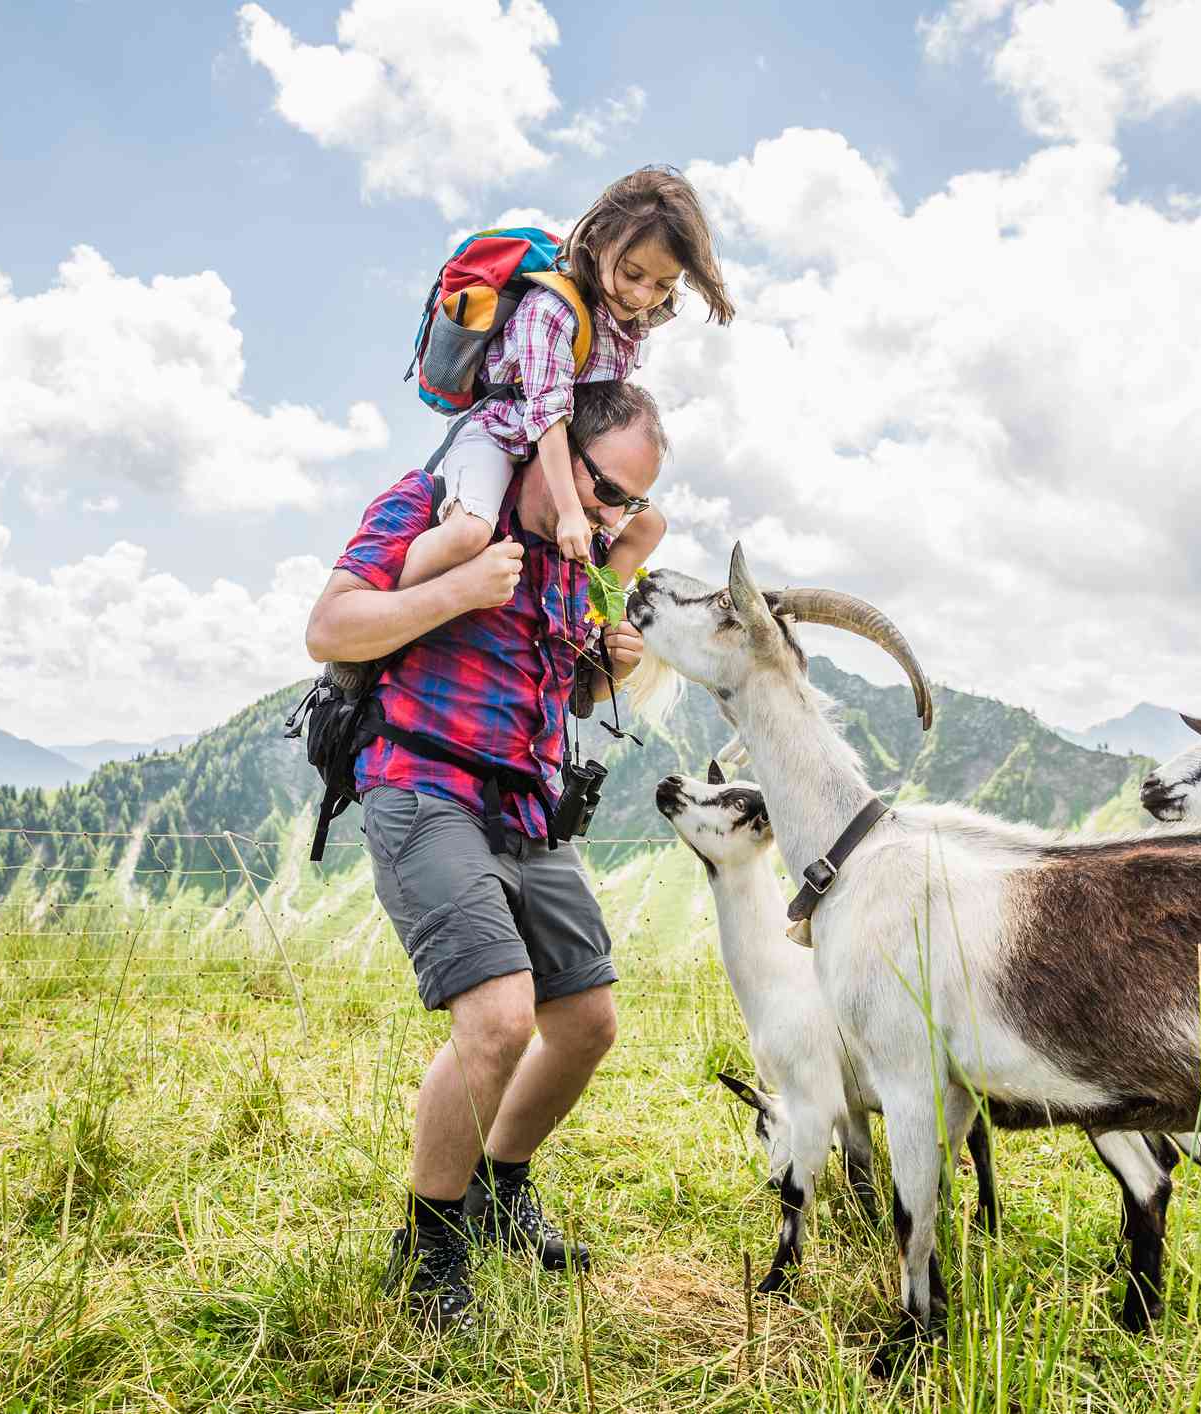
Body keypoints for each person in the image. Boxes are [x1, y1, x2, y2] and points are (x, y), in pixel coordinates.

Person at [302, 381, 666, 1330]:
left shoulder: (575, 559)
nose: (610, 513)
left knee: (584, 1021)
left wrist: (604, 667)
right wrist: (459, 585)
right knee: (500, 1018)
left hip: (528, 807)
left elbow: (567, 690)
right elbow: (329, 629)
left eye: (627, 501)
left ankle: (499, 1192)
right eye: (603, 487)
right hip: (420, 783)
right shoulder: (437, 506)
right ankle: (428, 1251)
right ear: (555, 450)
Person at [395, 166, 731, 591]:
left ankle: (595, 619)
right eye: (632, 273)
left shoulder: (630, 323)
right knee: (468, 533)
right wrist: (571, 512)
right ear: (597, 243)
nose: (643, 295)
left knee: (649, 526)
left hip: (569, 448)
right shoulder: (550, 310)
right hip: (503, 432)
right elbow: (547, 414)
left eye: (663, 284)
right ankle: (389, 615)